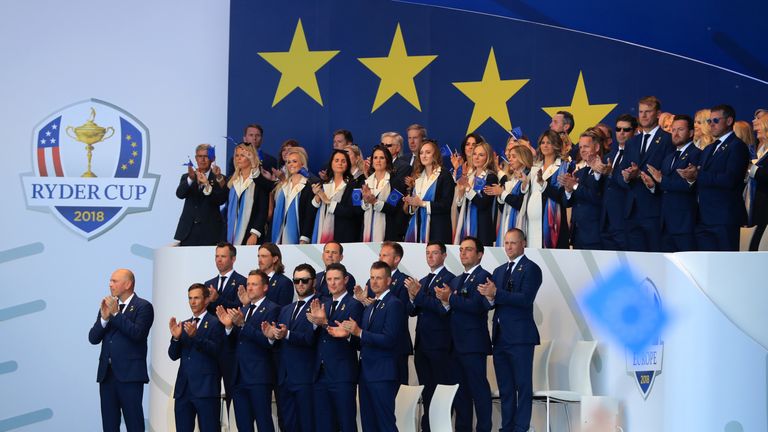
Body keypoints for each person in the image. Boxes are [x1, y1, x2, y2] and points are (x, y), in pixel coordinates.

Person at [478, 229, 542, 432]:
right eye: (506, 243)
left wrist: (496, 293)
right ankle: (507, 427)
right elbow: (490, 304)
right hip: (500, 337)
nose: (508, 247)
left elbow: (525, 300)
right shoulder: (498, 271)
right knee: (505, 388)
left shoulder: (531, 268)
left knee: (522, 386)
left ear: (523, 243)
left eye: (513, 243)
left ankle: (520, 427)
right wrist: (489, 297)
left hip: (521, 337)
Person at [329, 261, 405, 432]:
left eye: (379, 278)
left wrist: (359, 332)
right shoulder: (370, 306)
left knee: (385, 424)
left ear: (388, 281)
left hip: (382, 374)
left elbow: (389, 339)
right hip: (366, 374)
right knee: (368, 424)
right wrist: (348, 335)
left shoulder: (394, 304)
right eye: (372, 278)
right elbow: (362, 340)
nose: (374, 282)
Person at [435, 237, 493, 432]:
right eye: (461, 250)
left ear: (480, 254)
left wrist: (450, 297)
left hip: (473, 344)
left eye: (468, 250)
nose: (463, 253)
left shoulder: (484, 276)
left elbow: (476, 306)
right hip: (455, 345)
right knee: (460, 394)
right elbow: (447, 309)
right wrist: (444, 301)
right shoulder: (456, 279)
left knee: (479, 391)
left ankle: (484, 429)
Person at [88, 269, 154, 432]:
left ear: (128, 284)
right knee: (109, 425)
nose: (110, 284)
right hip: (107, 375)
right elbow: (93, 338)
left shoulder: (143, 306)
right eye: (110, 281)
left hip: (130, 375)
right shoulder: (108, 306)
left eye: (114, 281)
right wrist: (104, 319)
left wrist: (116, 314)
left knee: (134, 423)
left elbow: (137, 334)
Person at [679, 104, 750, 251]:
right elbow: (700, 178)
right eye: (709, 121)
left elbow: (730, 179)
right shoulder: (709, 148)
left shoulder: (737, 146)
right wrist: (690, 177)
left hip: (725, 219)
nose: (711, 125)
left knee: (725, 267)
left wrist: (698, 174)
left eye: (715, 121)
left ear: (729, 121)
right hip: (704, 218)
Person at [216, 270, 280, 432]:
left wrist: (243, 325)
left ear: (265, 287)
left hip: (259, 375)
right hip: (238, 376)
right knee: (243, 424)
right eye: (248, 284)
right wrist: (229, 327)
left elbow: (268, 342)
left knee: (263, 421)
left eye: (254, 284)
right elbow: (232, 344)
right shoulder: (242, 310)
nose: (249, 288)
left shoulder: (272, 309)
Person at [404, 241, 456, 432]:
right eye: (427, 253)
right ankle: (427, 427)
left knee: (442, 390)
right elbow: (412, 311)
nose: (430, 257)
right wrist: (411, 297)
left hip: (441, 344)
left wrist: (418, 295)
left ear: (444, 255)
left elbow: (442, 309)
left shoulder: (450, 279)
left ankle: (439, 426)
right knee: (427, 391)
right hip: (422, 344)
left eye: (434, 253)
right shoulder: (424, 281)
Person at [306, 263, 364, 432]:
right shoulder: (323, 304)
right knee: (323, 424)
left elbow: (356, 340)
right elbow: (314, 338)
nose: (332, 283)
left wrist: (324, 323)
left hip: (342, 374)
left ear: (345, 280)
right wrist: (316, 324)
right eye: (329, 279)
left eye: (336, 279)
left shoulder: (354, 305)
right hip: (321, 373)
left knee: (346, 423)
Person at [262, 264, 318, 432]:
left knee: (307, 425)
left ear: (313, 282)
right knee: (286, 425)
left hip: (305, 378)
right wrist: (272, 336)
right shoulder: (286, 309)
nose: (300, 284)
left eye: (304, 280)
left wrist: (286, 334)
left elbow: (310, 339)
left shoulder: (319, 307)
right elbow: (279, 339)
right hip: (284, 378)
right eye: (296, 280)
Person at [618, 96, 674, 252]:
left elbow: (670, 174)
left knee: (655, 260)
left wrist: (646, 179)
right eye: (641, 111)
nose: (643, 115)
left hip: (655, 209)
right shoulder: (632, 142)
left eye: (648, 112)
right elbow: (620, 174)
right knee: (635, 262)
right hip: (632, 210)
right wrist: (627, 176)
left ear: (658, 114)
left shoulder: (667, 140)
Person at [168, 283, 225, 432]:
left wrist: (196, 337)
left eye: (197, 298)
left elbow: (217, 351)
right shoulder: (184, 324)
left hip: (206, 389)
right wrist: (175, 338)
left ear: (206, 300)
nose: (192, 302)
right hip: (183, 389)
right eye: (190, 298)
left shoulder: (216, 323)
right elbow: (173, 355)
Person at [642, 115, 702, 252]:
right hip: (665, 223)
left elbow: (690, 185)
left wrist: (662, 180)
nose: (675, 133)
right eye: (673, 130)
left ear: (691, 133)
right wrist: (652, 185)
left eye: (680, 129)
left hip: (685, 223)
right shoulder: (669, 157)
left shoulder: (696, 154)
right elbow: (664, 186)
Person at [360, 241, 413, 385]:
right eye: (380, 255)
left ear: (397, 259)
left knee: (397, 390)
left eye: (385, 255)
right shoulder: (370, 282)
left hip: (396, 345)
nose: (380, 258)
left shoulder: (405, 281)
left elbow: (406, 309)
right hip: (374, 346)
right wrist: (364, 303)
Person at [204, 242, 247, 404]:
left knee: (233, 393)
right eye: (217, 256)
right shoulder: (209, 283)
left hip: (232, 344)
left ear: (233, 258)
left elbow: (240, 309)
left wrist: (217, 299)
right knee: (210, 395)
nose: (219, 260)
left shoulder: (242, 282)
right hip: (212, 344)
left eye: (223, 256)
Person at [403, 139, 456, 243]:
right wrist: (411, 203)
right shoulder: (417, 176)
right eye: (421, 153)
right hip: (417, 227)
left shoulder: (444, 175)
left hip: (437, 229)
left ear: (435, 155)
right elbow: (413, 209)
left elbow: (446, 205)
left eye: (428, 152)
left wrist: (422, 203)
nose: (424, 156)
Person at [174, 144, 227, 246]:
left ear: (212, 159)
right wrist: (191, 179)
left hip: (211, 233)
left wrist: (207, 185)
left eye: (206, 156)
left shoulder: (219, 178)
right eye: (200, 156)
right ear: (195, 158)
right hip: (188, 232)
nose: (202, 159)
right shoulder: (187, 177)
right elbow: (180, 194)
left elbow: (221, 200)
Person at [525, 130, 571, 249]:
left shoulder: (563, 167)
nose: (545, 145)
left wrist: (543, 183)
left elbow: (561, 196)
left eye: (549, 143)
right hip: (532, 223)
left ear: (556, 145)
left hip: (554, 222)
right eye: (543, 142)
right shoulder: (535, 167)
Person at [560, 129, 605, 250]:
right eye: (580, 147)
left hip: (596, 236)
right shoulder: (579, 172)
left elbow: (596, 197)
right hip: (577, 235)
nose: (582, 150)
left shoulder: (604, 169)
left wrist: (575, 186)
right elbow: (567, 202)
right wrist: (568, 190)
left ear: (596, 147)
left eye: (586, 146)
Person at [311, 149, 364, 243]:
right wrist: (317, 197)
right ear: (331, 163)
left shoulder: (355, 184)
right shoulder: (324, 183)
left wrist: (328, 201)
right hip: (321, 231)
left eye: (343, 161)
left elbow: (355, 211)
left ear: (347, 164)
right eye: (336, 160)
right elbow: (312, 210)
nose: (340, 163)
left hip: (344, 235)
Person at [485, 145, 533, 246]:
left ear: (523, 158)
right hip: (507, 222)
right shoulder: (512, 178)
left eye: (514, 156)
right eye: (509, 156)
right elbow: (504, 209)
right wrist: (500, 195)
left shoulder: (529, 176)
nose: (510, 159)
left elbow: (521, 204)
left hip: (521, 224)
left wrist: (502, 193)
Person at [600, 114, 636, 250]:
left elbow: (628, 184)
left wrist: (611, 173)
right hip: (606, 220)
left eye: (626, 130)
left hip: (625, 220)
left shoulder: (636, 155)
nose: (621, 133)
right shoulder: (609, 156)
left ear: (635, 131)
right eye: (618, 129)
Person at [454, 141, 499, 246]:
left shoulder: (491, 177)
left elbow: (483, 204)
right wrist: (461, 193)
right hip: (467, 225)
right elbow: (461, 208)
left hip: (482, 230)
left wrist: (468, 189)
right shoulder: (470, 177)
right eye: (474, 154)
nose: (476, 157)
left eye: (481, 155)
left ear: (488, 158)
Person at [271, 148, 318, 244]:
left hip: (299, 236)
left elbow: (309, 214)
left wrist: (304, 238)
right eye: (288, 162)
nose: (291, 164)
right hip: (278, 236)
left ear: (302, 164)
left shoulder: (308, 185)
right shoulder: (281, 185)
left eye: (294, 161)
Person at [226, 143, 269, 245]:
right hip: (232, 234)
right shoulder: (232, 182)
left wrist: (254, 234)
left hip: (251, 235)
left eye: (243, 155)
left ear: (251, 157)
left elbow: (262, 210)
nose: (239, 158)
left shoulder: (259, 181)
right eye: (237, 155)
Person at [360, 145, 401, 241]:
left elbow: (393, 208)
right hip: (366, 232)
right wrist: (365, 201)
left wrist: (375, 202)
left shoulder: (395, 181)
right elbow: (357, 209)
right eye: (375, 158)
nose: (378, 161)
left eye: (382, 158)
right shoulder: (365, 182)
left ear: (387, 160)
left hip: (388, 233)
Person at [747, 115, 768, 250]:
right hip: (756, 205)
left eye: (759, 125)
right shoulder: (761, 149)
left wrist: (750, 168)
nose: (756, 128)